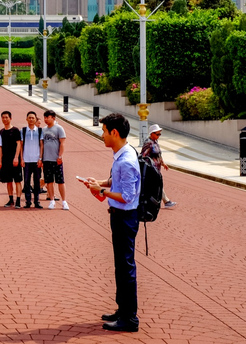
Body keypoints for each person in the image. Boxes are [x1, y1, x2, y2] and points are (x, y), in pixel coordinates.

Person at [82, 113, 141, 332]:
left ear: (114, 133)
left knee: (125, 267)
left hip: (125, 217)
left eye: (104, 131)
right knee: (121, 266)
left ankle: (130, 318)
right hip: (120, 216)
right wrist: (100, 182)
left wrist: (102, 191)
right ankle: (122, 309)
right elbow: (118, 182)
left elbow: (126, 195)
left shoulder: (125, 160)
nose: (102, 135)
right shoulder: (124, 153)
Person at [141, 124, 177, 209]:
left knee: (155, 185)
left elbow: (159, 154)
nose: (159, 136)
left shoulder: (155, 142)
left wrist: (163, 163)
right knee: (158, 185)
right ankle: (166, 201)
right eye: (157, 134)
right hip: (151, 169)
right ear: (152, 133)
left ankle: (154, 201)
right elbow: (144, 155)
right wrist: (148, 166)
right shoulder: (148, 143)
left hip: (157, 168)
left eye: (159, 134)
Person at [41, 110, 68, 210]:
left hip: (56, 159)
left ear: (53, 118)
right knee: (49, 181)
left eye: (47, 117)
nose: (45, 119)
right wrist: (41, 158)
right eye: (44, 117)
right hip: (46, 159)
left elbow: (62, 143)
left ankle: (64, 201)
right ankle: (52, 200)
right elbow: (42, 145)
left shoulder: (59, 129)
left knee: (60, 181)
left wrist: (60, 156)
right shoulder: (43, 130)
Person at [0, 111, 23, 208]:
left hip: (14, 159)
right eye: (3, 117)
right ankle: (10, 199)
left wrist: (16, 157)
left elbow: (19, 144)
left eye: (6, 117)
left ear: (10, 118)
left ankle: (18, 200)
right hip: (6, 160)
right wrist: (0, 160)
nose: (5, 119)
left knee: (17, 180)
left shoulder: (16, 130)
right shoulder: (1, 131)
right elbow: (0, 147)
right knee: (8, 181)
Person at [20, 111, 43, 209]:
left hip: (36, 160)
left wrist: (40, 158)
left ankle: (36, 201)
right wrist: (21, 158)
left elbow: (42, 145)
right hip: (26, 160)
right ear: (26, 119)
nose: (31, 119)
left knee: (37, 182)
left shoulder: (40, 131)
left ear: (35, 119)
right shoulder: (23, 131)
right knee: (26, 182)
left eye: (33, 118)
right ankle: (28, 201)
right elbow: (21, 146)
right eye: (29, 117)